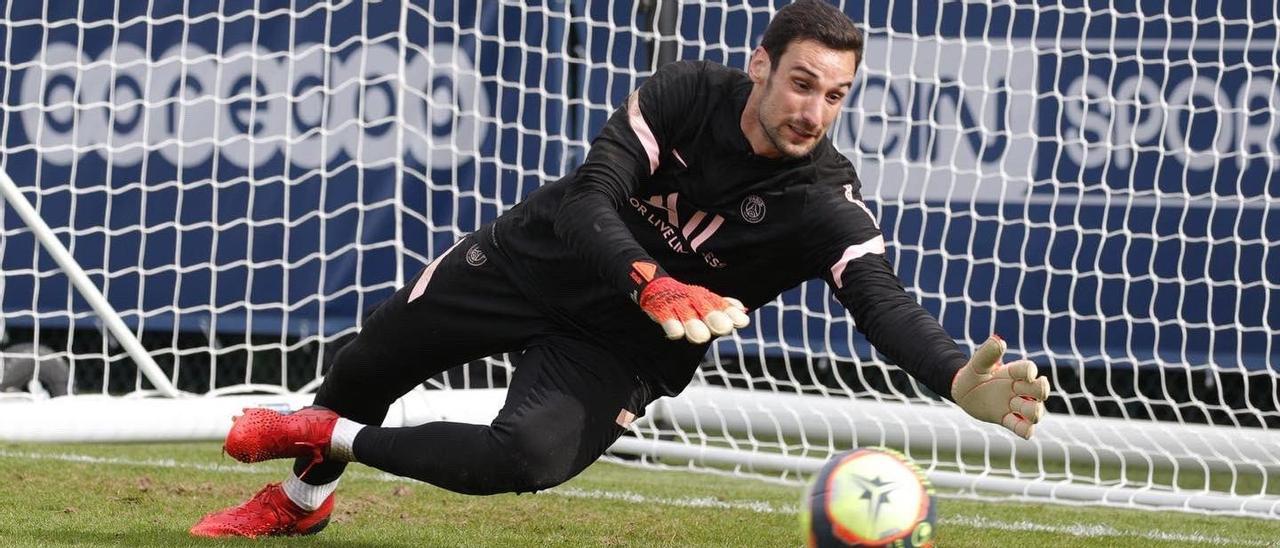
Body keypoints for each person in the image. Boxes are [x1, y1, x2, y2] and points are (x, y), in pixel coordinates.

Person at [190, 0, 1051, 538]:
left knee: (524, 460)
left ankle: (320, 436)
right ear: (761, 65)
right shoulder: (683, 93)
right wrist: (650, 274)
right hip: (539, 259)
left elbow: (880, 300)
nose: (813, 111)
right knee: (369, 363)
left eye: (834, 96)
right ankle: (300, 508)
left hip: (623, 345)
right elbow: (591, 194)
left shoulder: (823, 199)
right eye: (800, 83)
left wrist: (950, 376)